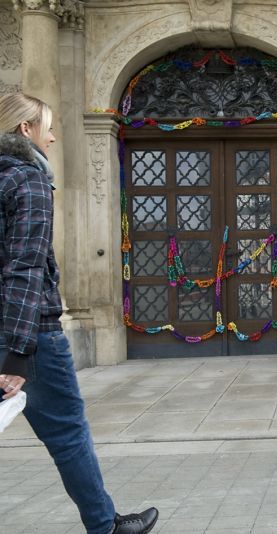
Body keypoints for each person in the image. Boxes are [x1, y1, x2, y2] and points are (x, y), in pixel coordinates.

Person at [0, 93, 159, 533]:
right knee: (67, 432)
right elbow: (25, 268)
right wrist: (17, 353)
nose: (52, 138)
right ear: (25, 129)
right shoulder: (28, 180)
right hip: (30, 334)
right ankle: (105, 526)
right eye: (48, 127)